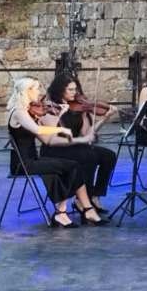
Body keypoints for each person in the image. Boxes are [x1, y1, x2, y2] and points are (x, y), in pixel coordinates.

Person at [5, 77, 98, 228]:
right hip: (23, 164)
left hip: (33, 159)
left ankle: (62, 212)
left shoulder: (27, 111)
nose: (39, 92)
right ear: (27, 91)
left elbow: (48, 135)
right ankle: (62, 212)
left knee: (73, 165)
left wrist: (59, 114)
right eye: (36, 89)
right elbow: (37, 130)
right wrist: (61, 129)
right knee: (72, 166)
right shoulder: (18, 112)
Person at [43, 73, 118, 216]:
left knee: (109, 156)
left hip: (75, 145)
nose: (75, 93)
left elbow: (86, 135)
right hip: (55, 148)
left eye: (75, 89)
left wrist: (104, 119)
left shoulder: (79, 108)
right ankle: (83, 201)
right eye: (70, 90)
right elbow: (51, 136)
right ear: (60, 90)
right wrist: (61, 112)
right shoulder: (50, 107)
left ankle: (95, 195)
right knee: (88, 156)